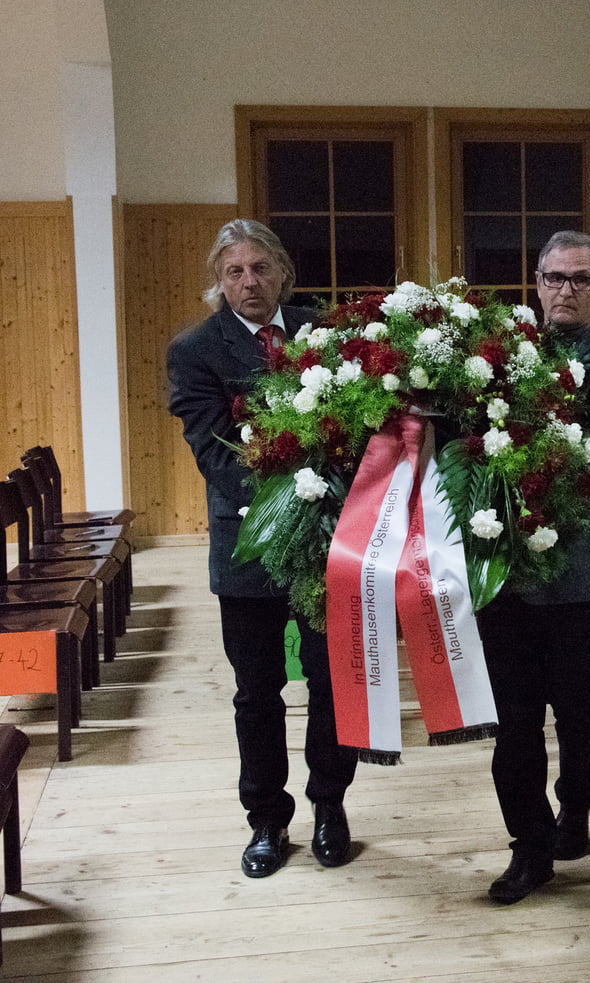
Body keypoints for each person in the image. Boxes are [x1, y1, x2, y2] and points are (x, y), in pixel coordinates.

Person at [167, 219, 358, 878]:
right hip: (247, 545)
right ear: (219, 282)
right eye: (234, 272)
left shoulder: (323, 333)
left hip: (327, 547)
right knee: (257, 691)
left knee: (330, 683)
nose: (249, 282)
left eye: (259, 268)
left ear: (282, 272)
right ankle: (267, 820)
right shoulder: (196, 350)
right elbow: (214, 451)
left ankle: (330, 803)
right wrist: (296, 499)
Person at [477, 231, 590, 904]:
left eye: (579, 279)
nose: (564, 290)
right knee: (514, 716)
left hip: (579, 573)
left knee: (577, 711)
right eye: (553, 277)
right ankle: (529, 844)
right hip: (508, 571)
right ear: (538, 283)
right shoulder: (501, 359)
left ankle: (576, 806)